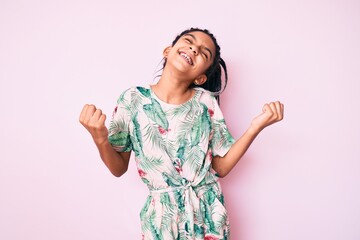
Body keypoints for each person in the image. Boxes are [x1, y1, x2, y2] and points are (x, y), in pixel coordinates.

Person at [79, 27, 284, 240]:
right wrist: (100, 139)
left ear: (201, 78)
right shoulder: (133, 100)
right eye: (189, 41)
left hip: (208, 213)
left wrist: (255, 128)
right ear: (168, 51)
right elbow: (118, 167)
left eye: (204, 53)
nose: (194, 49)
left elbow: (220, 168)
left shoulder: (205, 103)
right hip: (161, 219)